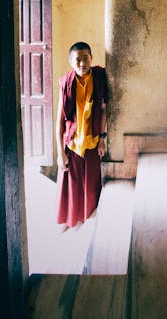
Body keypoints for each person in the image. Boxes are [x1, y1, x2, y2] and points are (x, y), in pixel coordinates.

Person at [55, 41, 108, 232]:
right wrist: (60, 153)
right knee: (70, 185)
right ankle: (69, 220)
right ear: (71, 62)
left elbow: (103, 111)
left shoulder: (99, 78)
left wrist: (102, 138)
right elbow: (59, 122)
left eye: (85, 58)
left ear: (91, 58)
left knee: (91, 184)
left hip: (92, 141)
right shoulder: (66, 83)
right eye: (77, 60)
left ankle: (88, 218)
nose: (82, 63)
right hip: (73, 142)